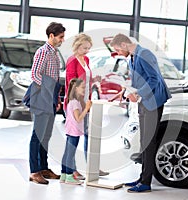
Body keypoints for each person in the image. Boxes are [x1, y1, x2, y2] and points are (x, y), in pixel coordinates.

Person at [109, 33, 171, 193]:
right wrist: (123, 93)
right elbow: (137, 81)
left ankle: (145, 182)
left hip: (153, 101)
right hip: (144, 101)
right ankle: (143, 176)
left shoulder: (144, 54)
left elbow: (154, 79)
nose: (117, 53)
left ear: (123, 44)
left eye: (117, 50)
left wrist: (137, 94)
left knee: (149, 141)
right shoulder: (133, 57)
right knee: (144, 141)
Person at [64, 33, 109, 180]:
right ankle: (72, 170)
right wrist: (82, 105)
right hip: (76, 104)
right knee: (73, 138)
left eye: (89, 48)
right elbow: (72, 85)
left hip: (87, 102)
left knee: (90, 136)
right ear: (77, 46)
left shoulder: (87, 59)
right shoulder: (72, 61)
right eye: (84, 48)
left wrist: (94, 79)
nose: (87, 51)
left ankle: (92, 167)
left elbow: (85, 80)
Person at [28, 22, 66, 185]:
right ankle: (34, 171)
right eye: (60, 37)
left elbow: (55, 78)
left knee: (46, 135)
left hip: (50, 98)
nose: (62, 40)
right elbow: (35, 74)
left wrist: (56, 97)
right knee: (37, 136)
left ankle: (44, 168)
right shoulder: (43, 52)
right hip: (41, 98)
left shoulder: (55, 53)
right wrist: (46, 92)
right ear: (51, 36)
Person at [60, 78, 92, 185]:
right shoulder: (75, 103)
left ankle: (64, 174)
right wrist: (87, 108)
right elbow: (78, 118)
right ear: (76, 88)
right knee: (70, 154)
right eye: (82, 87)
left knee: (67, 153)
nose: (84, 89)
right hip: (74, 131)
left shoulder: (73, 101)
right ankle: (69, 176)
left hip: (70, 130)